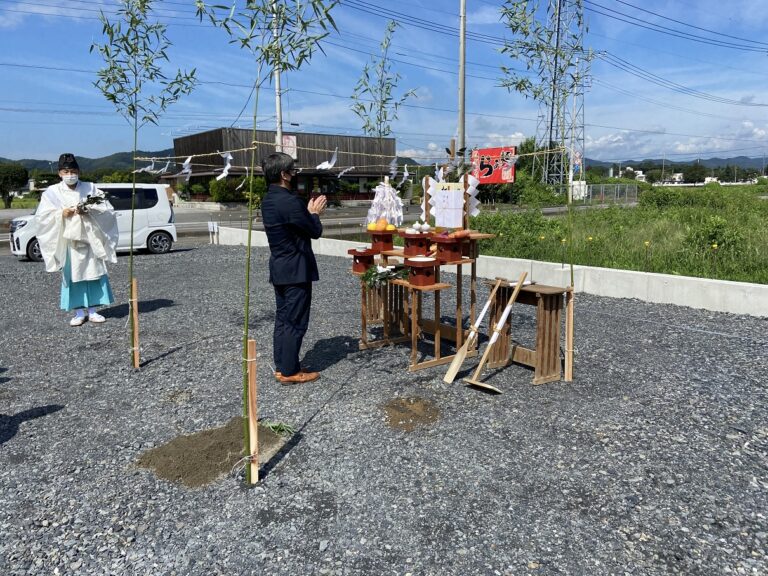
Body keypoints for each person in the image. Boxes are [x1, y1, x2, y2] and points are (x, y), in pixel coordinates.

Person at [260, 152, 327, 385]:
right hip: (296, 268)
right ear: (284, 174)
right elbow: (314, 231)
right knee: (295, 320)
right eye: (293, 170)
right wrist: (314, 214)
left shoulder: (268, 199)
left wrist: (306, 214)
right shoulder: (290, 201)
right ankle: (289, 371)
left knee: (283, 318)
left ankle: (283, 365)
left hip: (279, 267)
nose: (295, 174)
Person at [36, 153, 118, 326]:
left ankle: (94, 310)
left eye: (73, 170)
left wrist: (88, 210)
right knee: (73, 275)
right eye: (66, 171)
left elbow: (107, 209)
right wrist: (61, 214)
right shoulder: (52, 192)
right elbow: (42, 217)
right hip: (69, 241)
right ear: (59, 173)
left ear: (79, 171)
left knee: (94, 273)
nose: (70, 174)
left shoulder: (91, 188)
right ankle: (78, 312)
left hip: (89, 240)